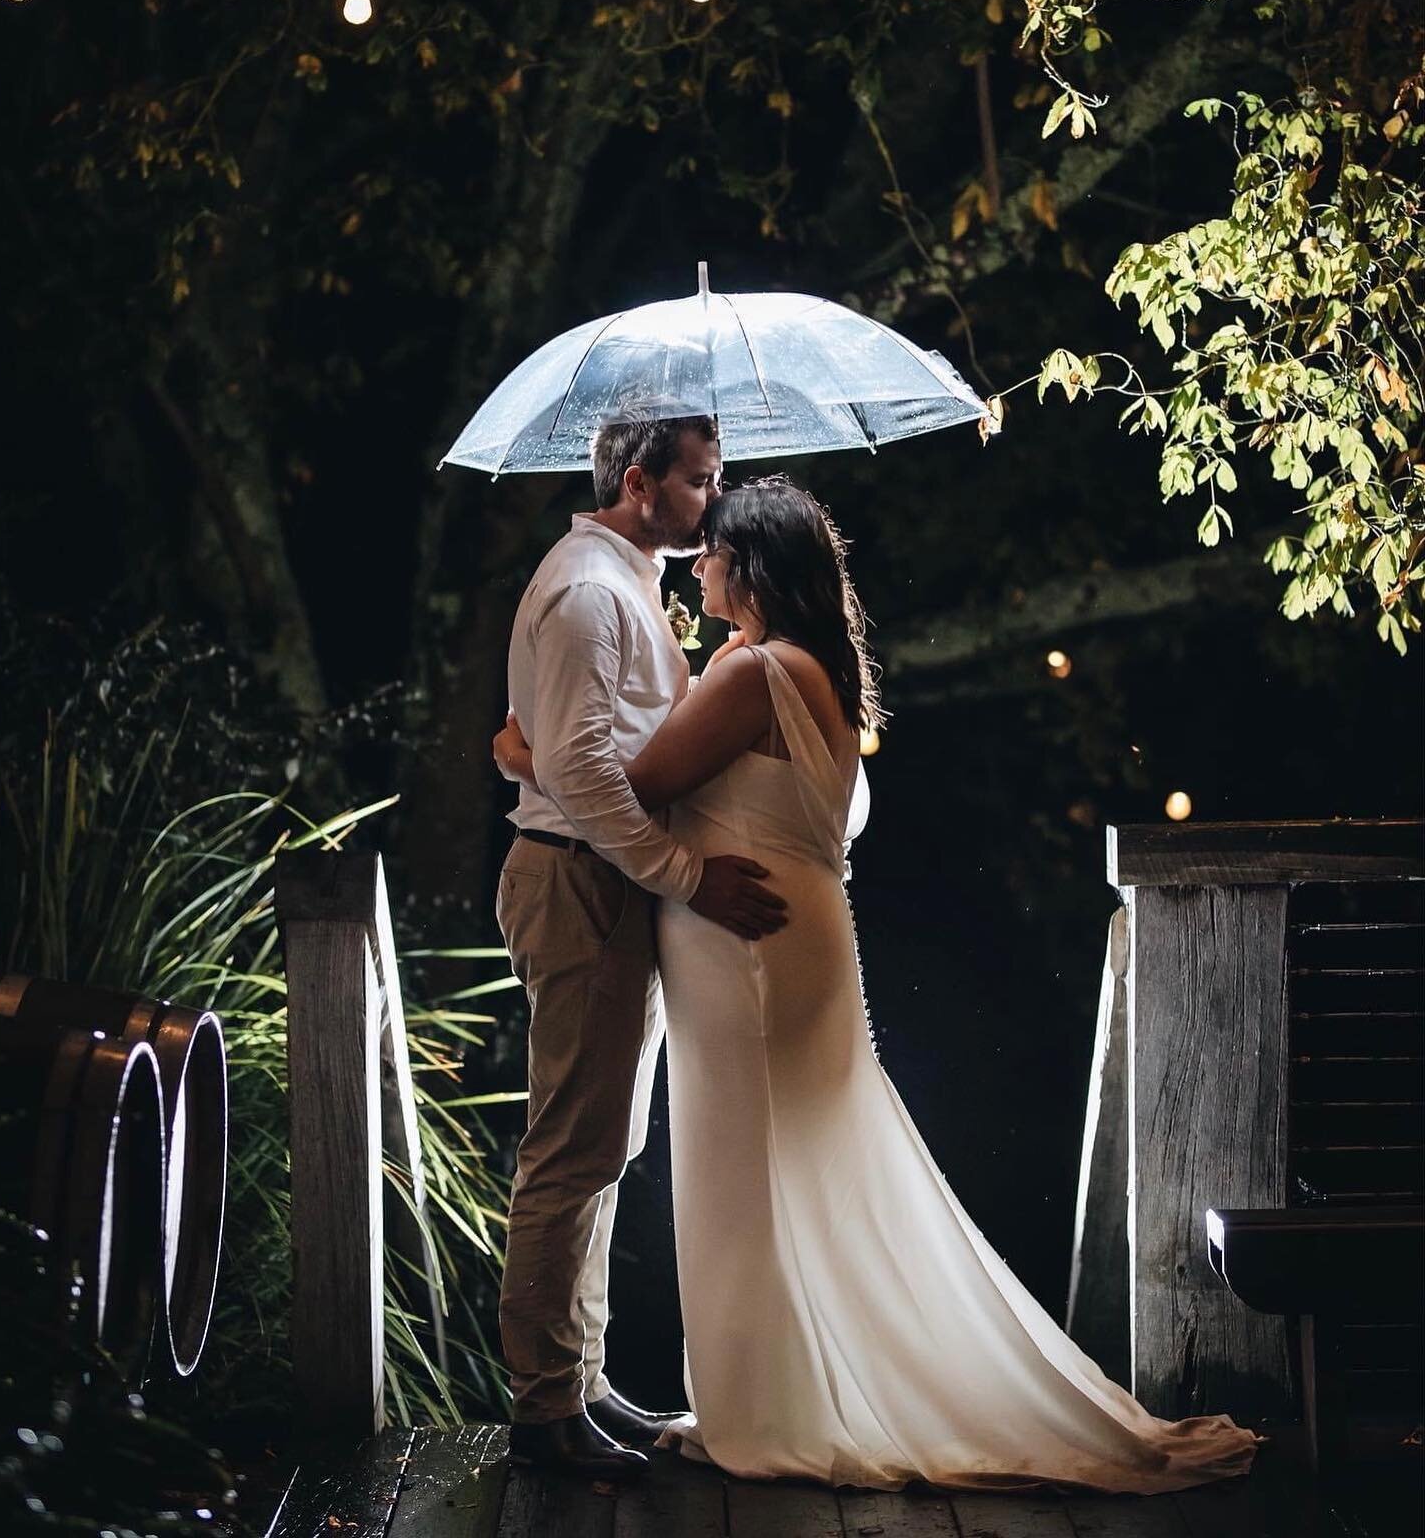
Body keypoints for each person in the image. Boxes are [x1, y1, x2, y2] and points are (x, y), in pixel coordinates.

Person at [493, 474, 1261, 1494]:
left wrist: (525, 750)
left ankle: (768, 1407)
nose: (700, 567)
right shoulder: (816, 668)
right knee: (796, 1168)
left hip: (746, 956)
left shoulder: (751, 674)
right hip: (801, 939)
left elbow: (631, 792)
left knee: (746, 1176)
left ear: (751, 567)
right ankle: (785, 1389)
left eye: (715, 553)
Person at [494, 410, 789, 1482]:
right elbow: (577, 773)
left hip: (606, 883)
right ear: (639, 478)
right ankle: (542, 1409)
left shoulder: (624, 583)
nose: (716, 501)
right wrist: (685, 876)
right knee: (573, 1148)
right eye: (702, 482)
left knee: (606, 1144)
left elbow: (571, 744)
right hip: (581, 885)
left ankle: (583, 1381)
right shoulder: (587, 589)